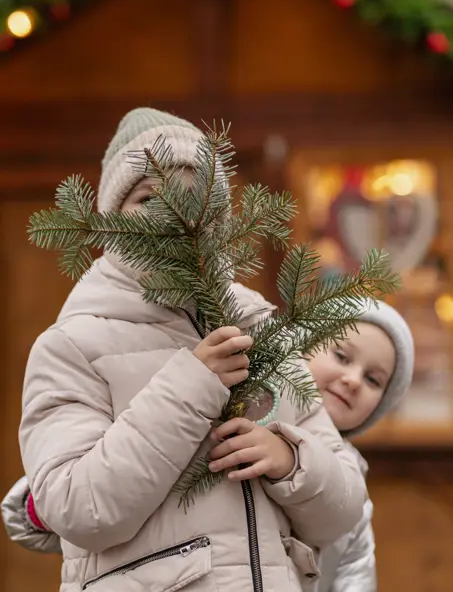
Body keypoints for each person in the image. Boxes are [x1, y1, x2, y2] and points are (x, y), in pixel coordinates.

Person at [4, 108, 367, 592]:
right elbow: (79, 509)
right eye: (149, 196)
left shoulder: (261, 331)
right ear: (112, 219)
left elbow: (341, 513)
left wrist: (291, 460)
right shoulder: (72, 345)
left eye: (194, 200)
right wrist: (193, 383)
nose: (175, 215)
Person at [307, 300, 414, 592]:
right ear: (305, 347)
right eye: (341, 356)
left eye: (372, 379)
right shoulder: (247, 421)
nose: (353, 380)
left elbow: (355, 572)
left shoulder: (354, 490)